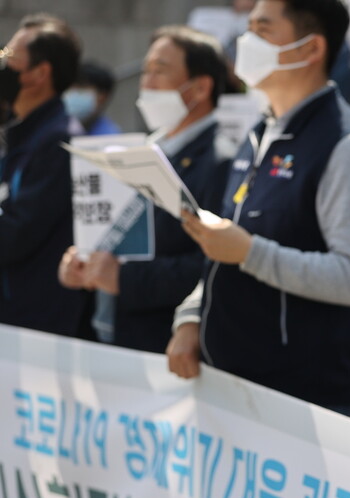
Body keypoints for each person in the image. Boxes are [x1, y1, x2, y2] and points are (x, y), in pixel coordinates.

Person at [166, 0, 350, 416]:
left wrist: (251, 253)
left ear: (311, 49)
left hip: (298, 401)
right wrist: (191, 316)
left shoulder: (348, 147)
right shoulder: (259, 133)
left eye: (263, 30)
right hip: (228, 384)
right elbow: (225, 246)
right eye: (247, 29)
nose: (245, 42)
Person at [58, 25, 234, 353]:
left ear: (199, 87)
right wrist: (84, 263)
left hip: (165, 344)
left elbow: (214, 263)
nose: (147, 83)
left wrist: (125, 279)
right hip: (111, 332)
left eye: (160, 71)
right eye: (145, 70)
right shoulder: (140, 151)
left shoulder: (222, 160)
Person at [0, 14, 89, 338]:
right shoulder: (24, 135)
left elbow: (16, 233)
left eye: (8, 57)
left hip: (35, 324)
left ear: (39, 73)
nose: (2, 65)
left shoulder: (58, 140)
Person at [63, 60, 121, 136]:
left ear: (102, 96)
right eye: (71, 87)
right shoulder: (58, 128)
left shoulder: (110, 137)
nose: (73, 93)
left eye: (81, 87)